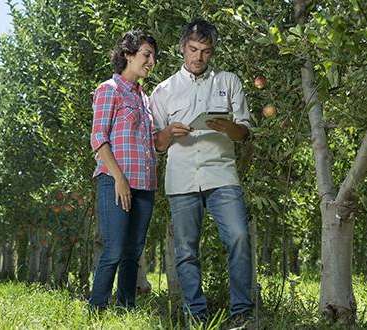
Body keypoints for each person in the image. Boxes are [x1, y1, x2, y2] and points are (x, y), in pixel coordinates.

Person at [150, 19, 254, 324]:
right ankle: (197, 316)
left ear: (213, 52)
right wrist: (169, 133)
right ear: (182, 47)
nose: (198, 57)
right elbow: (156, 143)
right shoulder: (164, 90)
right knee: (185, 251)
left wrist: (230, 128)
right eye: (193, 49)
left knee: (238, 237)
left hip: (221, 175)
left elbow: (245, 134)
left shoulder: (229, 82)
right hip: (181, 179)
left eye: (206, 51)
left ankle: (241, 314)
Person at [89, 29, 158, 311]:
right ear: (128, 54)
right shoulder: (110, 90)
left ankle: (126, 309)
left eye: (154, 56)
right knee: (114, 249)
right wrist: (119, 178)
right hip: (115, 181)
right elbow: (98, 138)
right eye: (146, 54)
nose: (151, 61)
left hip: (145, 185)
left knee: (133, 253)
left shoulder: (144, 99)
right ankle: (96, 309)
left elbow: (150, 141)